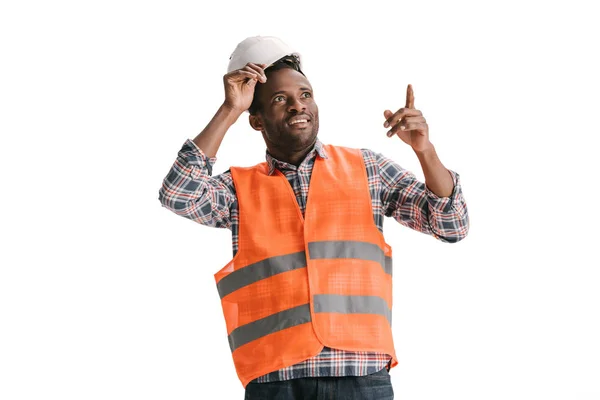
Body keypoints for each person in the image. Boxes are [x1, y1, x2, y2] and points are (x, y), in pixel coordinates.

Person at [158, 36, 469, 400]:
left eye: (304, 94)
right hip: (275, 381)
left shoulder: (367, 169)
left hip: (361, 376)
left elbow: (452, 225)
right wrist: (229, 110)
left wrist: (425, 150)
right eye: (279, 99)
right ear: (255, 120)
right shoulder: (238, 190)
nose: (297, 106)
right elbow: (178, 194)